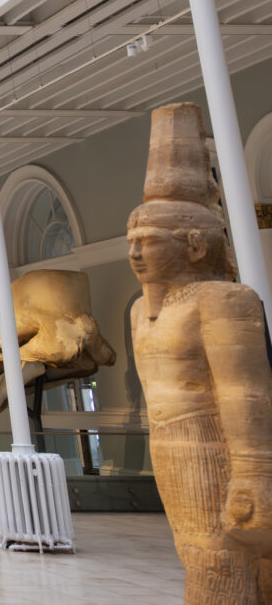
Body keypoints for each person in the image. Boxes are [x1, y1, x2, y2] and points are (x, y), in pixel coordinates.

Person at [128, 103, 272, 603]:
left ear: (194, 245)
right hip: (170, 450)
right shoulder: (140, 313)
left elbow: (244, 389)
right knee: (198, 553)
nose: (135, 253)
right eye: (132, 241)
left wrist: (255, 469)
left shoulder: (222, 300)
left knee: (220, 559)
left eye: (148, 240)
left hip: (213, 446)